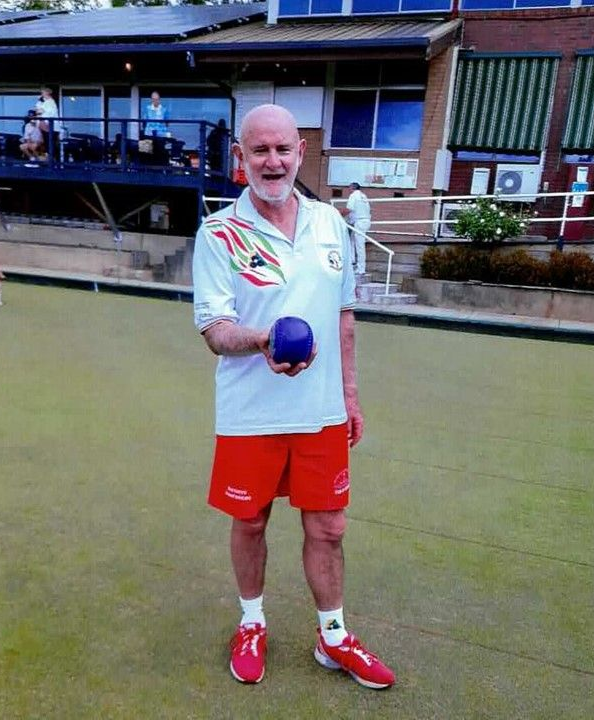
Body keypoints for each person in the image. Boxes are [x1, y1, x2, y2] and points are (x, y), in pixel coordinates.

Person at [192, 104, 395, 690]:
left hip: (321, 412)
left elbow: (345, 316)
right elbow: (215, 330)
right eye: (259, 150)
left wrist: (350, 395)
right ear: (241, 157)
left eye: (283, 149)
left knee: (329, 528)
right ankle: (252, 622)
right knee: (250, 521)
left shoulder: (331, 223)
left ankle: (333, 636)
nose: (273, 161)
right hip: (249, 414)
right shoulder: (218, 233)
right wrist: (261, 340)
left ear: (300, 153)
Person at [339, 181, 371, 275]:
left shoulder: (353, 196)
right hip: (364, 221)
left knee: (360, 245)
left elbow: (349, 209)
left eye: (349, 187)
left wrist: (338, 214)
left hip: (359, 222)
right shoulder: (363, 196)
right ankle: (352, 260)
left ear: (352, 188)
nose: (348, 189)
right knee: (352, 240)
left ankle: (361, 269)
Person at [35, 86, 60, 156]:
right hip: (44, 126)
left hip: (50, 127)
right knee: (46, 144)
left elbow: (42, 112)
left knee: (50, 145)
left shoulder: (51, 102)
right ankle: (48, 158)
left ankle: (53, 160)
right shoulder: (44, 102)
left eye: (42, 92)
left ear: (47, 93)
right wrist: (39, 101)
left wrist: (40, 112)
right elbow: (37, 110)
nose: (41, 94)